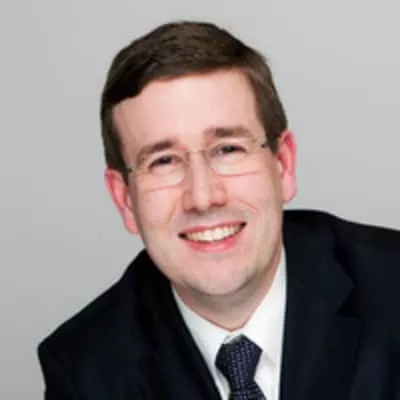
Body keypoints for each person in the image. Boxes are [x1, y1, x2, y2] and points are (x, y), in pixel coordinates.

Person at [38, 21, 400, 400]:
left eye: (228, 149)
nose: (203, 196)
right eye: (164, 161)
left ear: (283, 166)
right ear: (125, 199)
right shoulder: (86, 372)